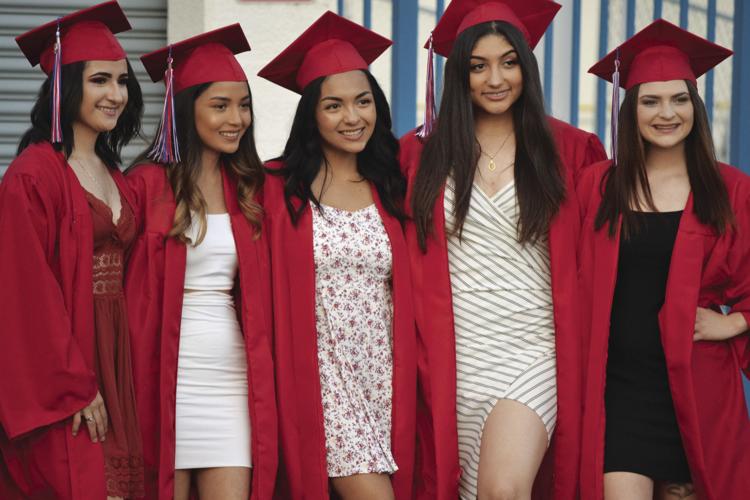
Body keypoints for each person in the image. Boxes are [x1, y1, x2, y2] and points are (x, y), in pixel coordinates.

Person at [399, 1, 608, 498]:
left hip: (532, 349)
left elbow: (613, 246)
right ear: (460, 75)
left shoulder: (571, 150)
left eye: (509, 62)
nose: (495, 78)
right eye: (479, 66)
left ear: (527, 68)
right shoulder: (419, 153)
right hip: (455, 353)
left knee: (502, 488)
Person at [579, 19, 750, 500]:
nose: (666, 113)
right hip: (620, 392)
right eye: (650, 101)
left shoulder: (731, 189)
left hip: (695, 391)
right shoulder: (598, 186)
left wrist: (734, 323)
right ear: (630, 110)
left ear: (695, 105)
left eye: (679, 99)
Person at [257, 11, 416, 500]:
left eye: (363, 101)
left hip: (384, 374)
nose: (352, 117)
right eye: (334, 106)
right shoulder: (277, 187)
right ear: (312, 114)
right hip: (323, 376)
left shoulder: (394, 184)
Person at [125, 24, 276, 500]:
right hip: (160, 373)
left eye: (244, 104)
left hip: (230, 380)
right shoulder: (145, 185)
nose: (237, 118)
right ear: (186, 110)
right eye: (220, 105)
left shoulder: (252, 187)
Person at [0, 2, 145, 499]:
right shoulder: (34, 174)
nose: (116, 94)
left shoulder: (115, 173)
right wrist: (73, 385)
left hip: (117, 353)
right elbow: (25, 292)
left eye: (123, 81)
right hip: (68, 362)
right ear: (66, 86)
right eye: (100, 80)